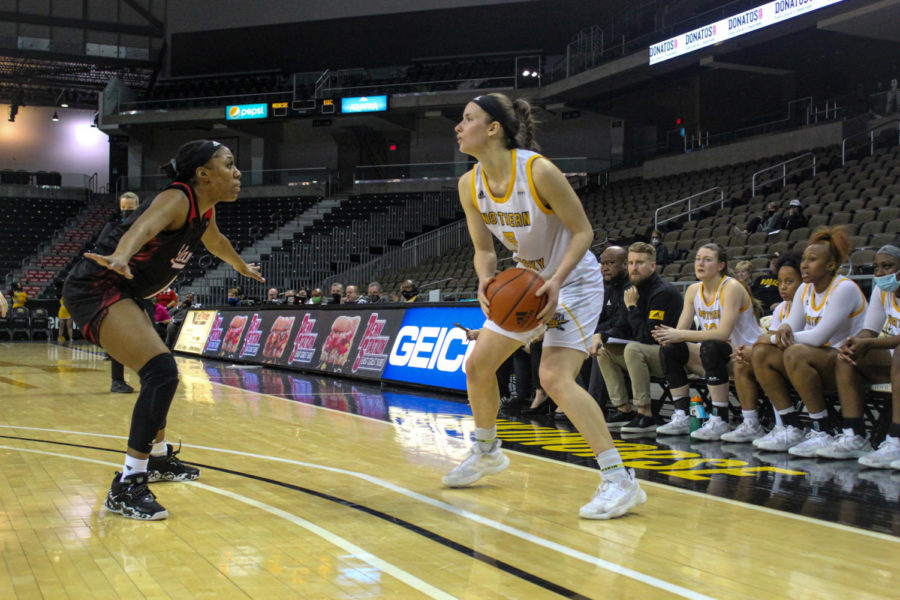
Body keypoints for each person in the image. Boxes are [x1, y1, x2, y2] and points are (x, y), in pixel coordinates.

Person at [446, 92, 645, 519]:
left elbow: (583, 232)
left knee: (554, 377)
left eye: (467, 119)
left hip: (572, 281)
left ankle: (619, 479)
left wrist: (555, 280)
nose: (458, 128)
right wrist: (485, 279)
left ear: (493, 128)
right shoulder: (470, 184)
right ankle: (486, 451)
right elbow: (483, 250)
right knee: (478, 365)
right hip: (526, 283)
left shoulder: (538, 171)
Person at [63, 139, 264, 520]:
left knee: (158, 372)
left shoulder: (204, 210)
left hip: (126, 288)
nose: (237, 173)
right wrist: (121, 256)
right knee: (161, 372)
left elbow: (215, 241)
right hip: (99, 287)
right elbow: (143, 227)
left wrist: (240, 266)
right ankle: (128, 484)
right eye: (229, 164)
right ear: (203, 174)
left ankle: (156, 459)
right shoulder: (178, 199)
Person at [751, 227, 866, 454]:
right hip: (816, 361)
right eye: (804, 259)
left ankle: (822, 430)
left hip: (849, 363)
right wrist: (778, 334)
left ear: (831, 265)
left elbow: (819, 336)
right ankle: (791, 426)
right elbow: (791, 327)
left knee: (792, 351)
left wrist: (775, 337)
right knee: (761, 353)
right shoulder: (805, 288)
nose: (804, 264)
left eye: (812, 260)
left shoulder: (844, 288)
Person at [653, 243, 763, 440]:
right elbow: (680, 332)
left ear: (720, 265)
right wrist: (667, 336)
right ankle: (682, 415)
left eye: (707, 259)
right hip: (718, 358)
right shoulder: (694, 290)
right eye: (697, 259)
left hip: (746, 357)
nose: (700, 263)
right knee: (671, 348)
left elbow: (723, 334)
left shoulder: (731, 287)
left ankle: (720, 418)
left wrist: (680, 334)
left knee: (711, 345)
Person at [593, 242, 683, 433]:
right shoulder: (633, 290)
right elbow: (622, 328)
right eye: (631, 263)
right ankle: (624, 410)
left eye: (640, 263)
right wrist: (601, 336)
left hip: (672, 356)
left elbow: (648, 338)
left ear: (652, 265)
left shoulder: (662, 293)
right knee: (604, 350)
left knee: (633, 349)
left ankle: (645, 413)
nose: (634, 268)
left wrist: (632, 308)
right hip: (648, 353)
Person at [826, 245, 900, 464]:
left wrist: (867, 342)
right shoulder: (882, 290)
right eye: (876, 267)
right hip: (893, 360)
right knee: (848, 356)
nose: (879, 273)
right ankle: (854, 435)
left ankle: (896, 440)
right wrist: (855, 342)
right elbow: (870, 329)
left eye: (887, 266)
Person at [730, 250, 803, 443]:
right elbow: (771, 337)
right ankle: (751, 423)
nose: (783, 287)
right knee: (742, 361)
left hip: (803, 362)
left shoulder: (806, 304)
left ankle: (785, 426)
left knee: (761, 355)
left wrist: (755, 348)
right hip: (785, 361)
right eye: (780, 282)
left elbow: (785, 341)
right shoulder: (781, 308)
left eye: (789, 281)